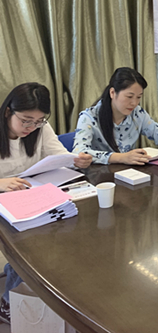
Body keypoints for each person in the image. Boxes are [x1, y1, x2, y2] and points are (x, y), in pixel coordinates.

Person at [0, 83, 92, 323]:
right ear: (8, 111)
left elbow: (58, 155)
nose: (31, 127)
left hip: (30, 194)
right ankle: (9, 301)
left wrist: (75, 160)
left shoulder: (40, 127)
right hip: (4, 200)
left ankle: (27, 287)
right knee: (28, 244)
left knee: (62, 229)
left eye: (38, 121)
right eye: (26, 121)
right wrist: (2, 183)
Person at [74, 68, 158, 165]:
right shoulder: (89, 117)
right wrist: (121, 157)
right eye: (129, 97)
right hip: (100, 178)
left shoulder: (137, 113)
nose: (134, 103)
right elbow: (79, 152)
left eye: (138, 97)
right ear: (112, 93)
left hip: (129, 174)